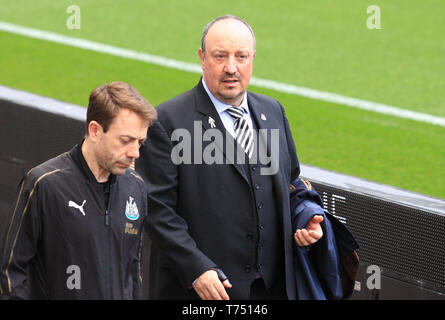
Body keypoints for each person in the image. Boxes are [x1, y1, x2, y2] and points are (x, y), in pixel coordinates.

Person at [136, 15, 347, 300]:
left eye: (241, 56)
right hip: (205, 293)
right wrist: (197, 269)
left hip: (273, 290)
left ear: (253, 58)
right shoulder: (168, 121)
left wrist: (306, 217)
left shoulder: (273, 111)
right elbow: (157, 210)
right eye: (220, 56)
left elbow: (291, 182)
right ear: (202, 58)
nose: (231, 68)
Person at [0, 81, 157, 299]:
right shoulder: (44, 185)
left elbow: (132, 272)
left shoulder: (135, 187)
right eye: (125, 140)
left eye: (140, 142)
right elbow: (9, 273)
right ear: (95, 131)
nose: (135, 153)